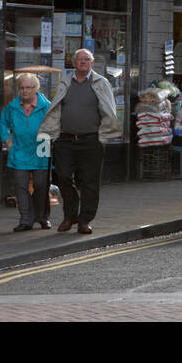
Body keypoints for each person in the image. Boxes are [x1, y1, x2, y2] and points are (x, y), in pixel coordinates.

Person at [39, 48, 122, 235]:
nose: (83, 62)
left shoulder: (102, 83)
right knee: (64, 177)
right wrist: (52, 134)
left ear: (92, 63)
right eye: (79, 59)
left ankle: (84, 220)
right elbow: (56, 109)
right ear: (74, 63)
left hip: (91, 141)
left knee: (89, 183)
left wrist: (103, 137)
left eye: (87, 59)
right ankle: (70, 216)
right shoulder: (65, 83)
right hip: (65, 140)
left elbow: (110, 110)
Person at [0, 74, 52, 232]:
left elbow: (56, 124)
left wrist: (50, 139)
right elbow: (3, 124)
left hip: (42, 148)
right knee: (21, 186)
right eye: (22, 88)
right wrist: (8, 142)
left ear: (36, 89)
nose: (24, 91)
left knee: (41, 185)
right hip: (19, 150)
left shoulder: (47, 106)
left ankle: (42, 217)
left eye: (28, 87)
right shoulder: (12, 107)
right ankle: (26, 220)